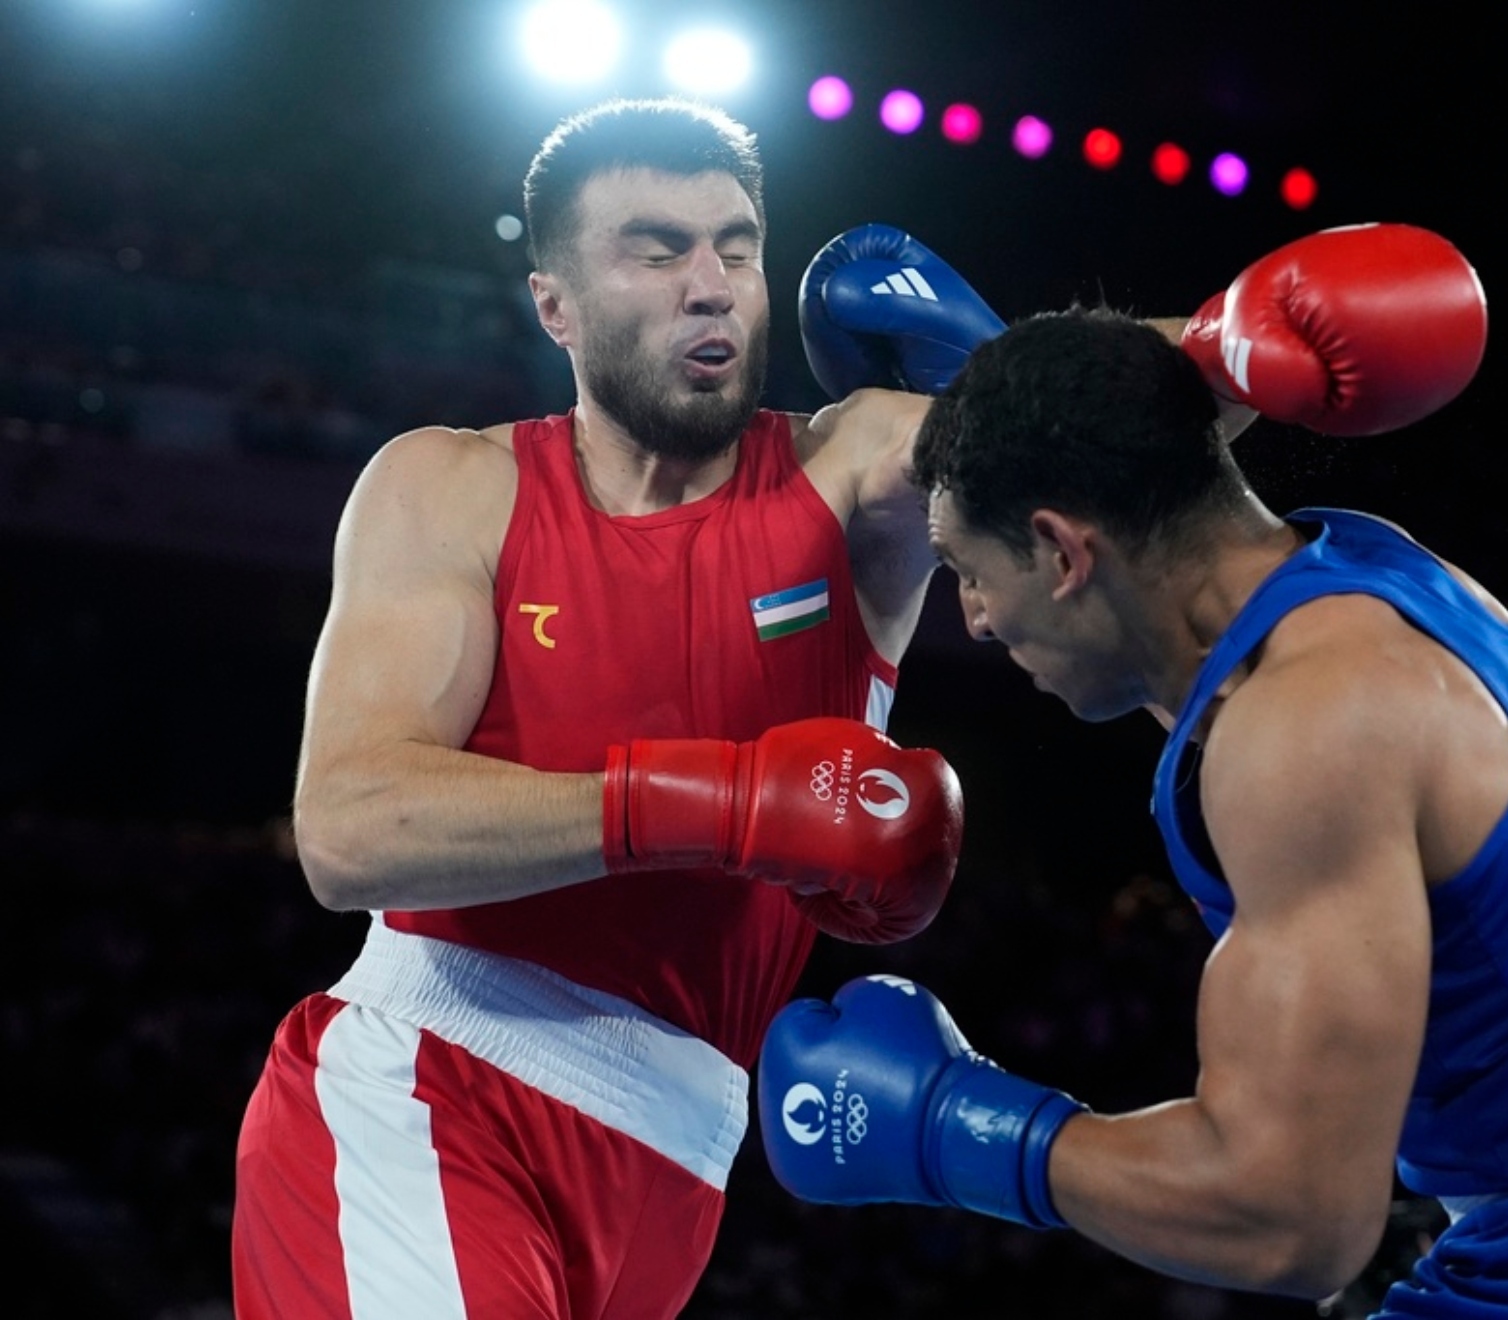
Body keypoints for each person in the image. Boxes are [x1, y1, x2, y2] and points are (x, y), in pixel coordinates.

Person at [753, 235, 1508, 1315]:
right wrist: (1001, 390)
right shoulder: (1363, 575)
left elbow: (1291, 1223)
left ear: (1065, 553)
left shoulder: (1306, 733)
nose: (970, 617)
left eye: (972, 568)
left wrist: (948, 1127)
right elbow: (1155, 435)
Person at [231, 95, 1017, 1319]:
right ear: (555, 303)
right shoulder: (452, 485)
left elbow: (1127, 456)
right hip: (434, 1082)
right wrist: (725, 805)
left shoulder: (846, 467)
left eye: (738, 247)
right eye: (656, 250)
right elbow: (347, 828)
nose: (712, 285)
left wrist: (1191, 354)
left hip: (677, 1165)